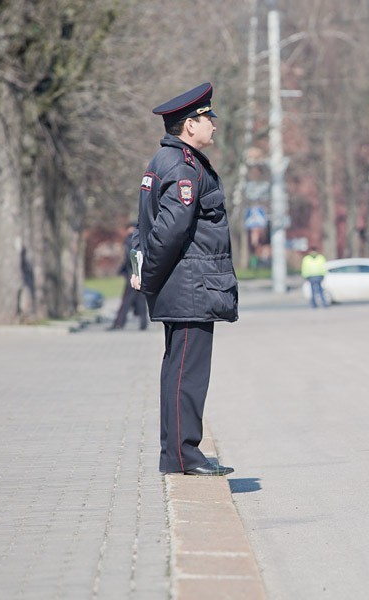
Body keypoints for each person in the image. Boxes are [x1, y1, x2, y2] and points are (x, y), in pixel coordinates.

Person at [132, 83, 238, 476]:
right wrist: (151, 280)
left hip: (185, 285)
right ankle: (183, 455)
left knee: (179, 371)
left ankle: (178, 453)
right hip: (189, 286)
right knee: (187, 376)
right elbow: (168, 231)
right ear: (189, 125)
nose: (214, 125)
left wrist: (145, 273)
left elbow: (143, 227)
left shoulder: (164, 161)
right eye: (208, 118)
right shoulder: (183, 168)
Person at [109, 225, 148, 331]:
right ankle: (143, 323)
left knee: (126, 300)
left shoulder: (130, 240)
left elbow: (130, 257)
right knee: (140, 300)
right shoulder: (140, 237)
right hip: (139, 273)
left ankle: (119, 322)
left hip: (133, 274)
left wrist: (130, 272)